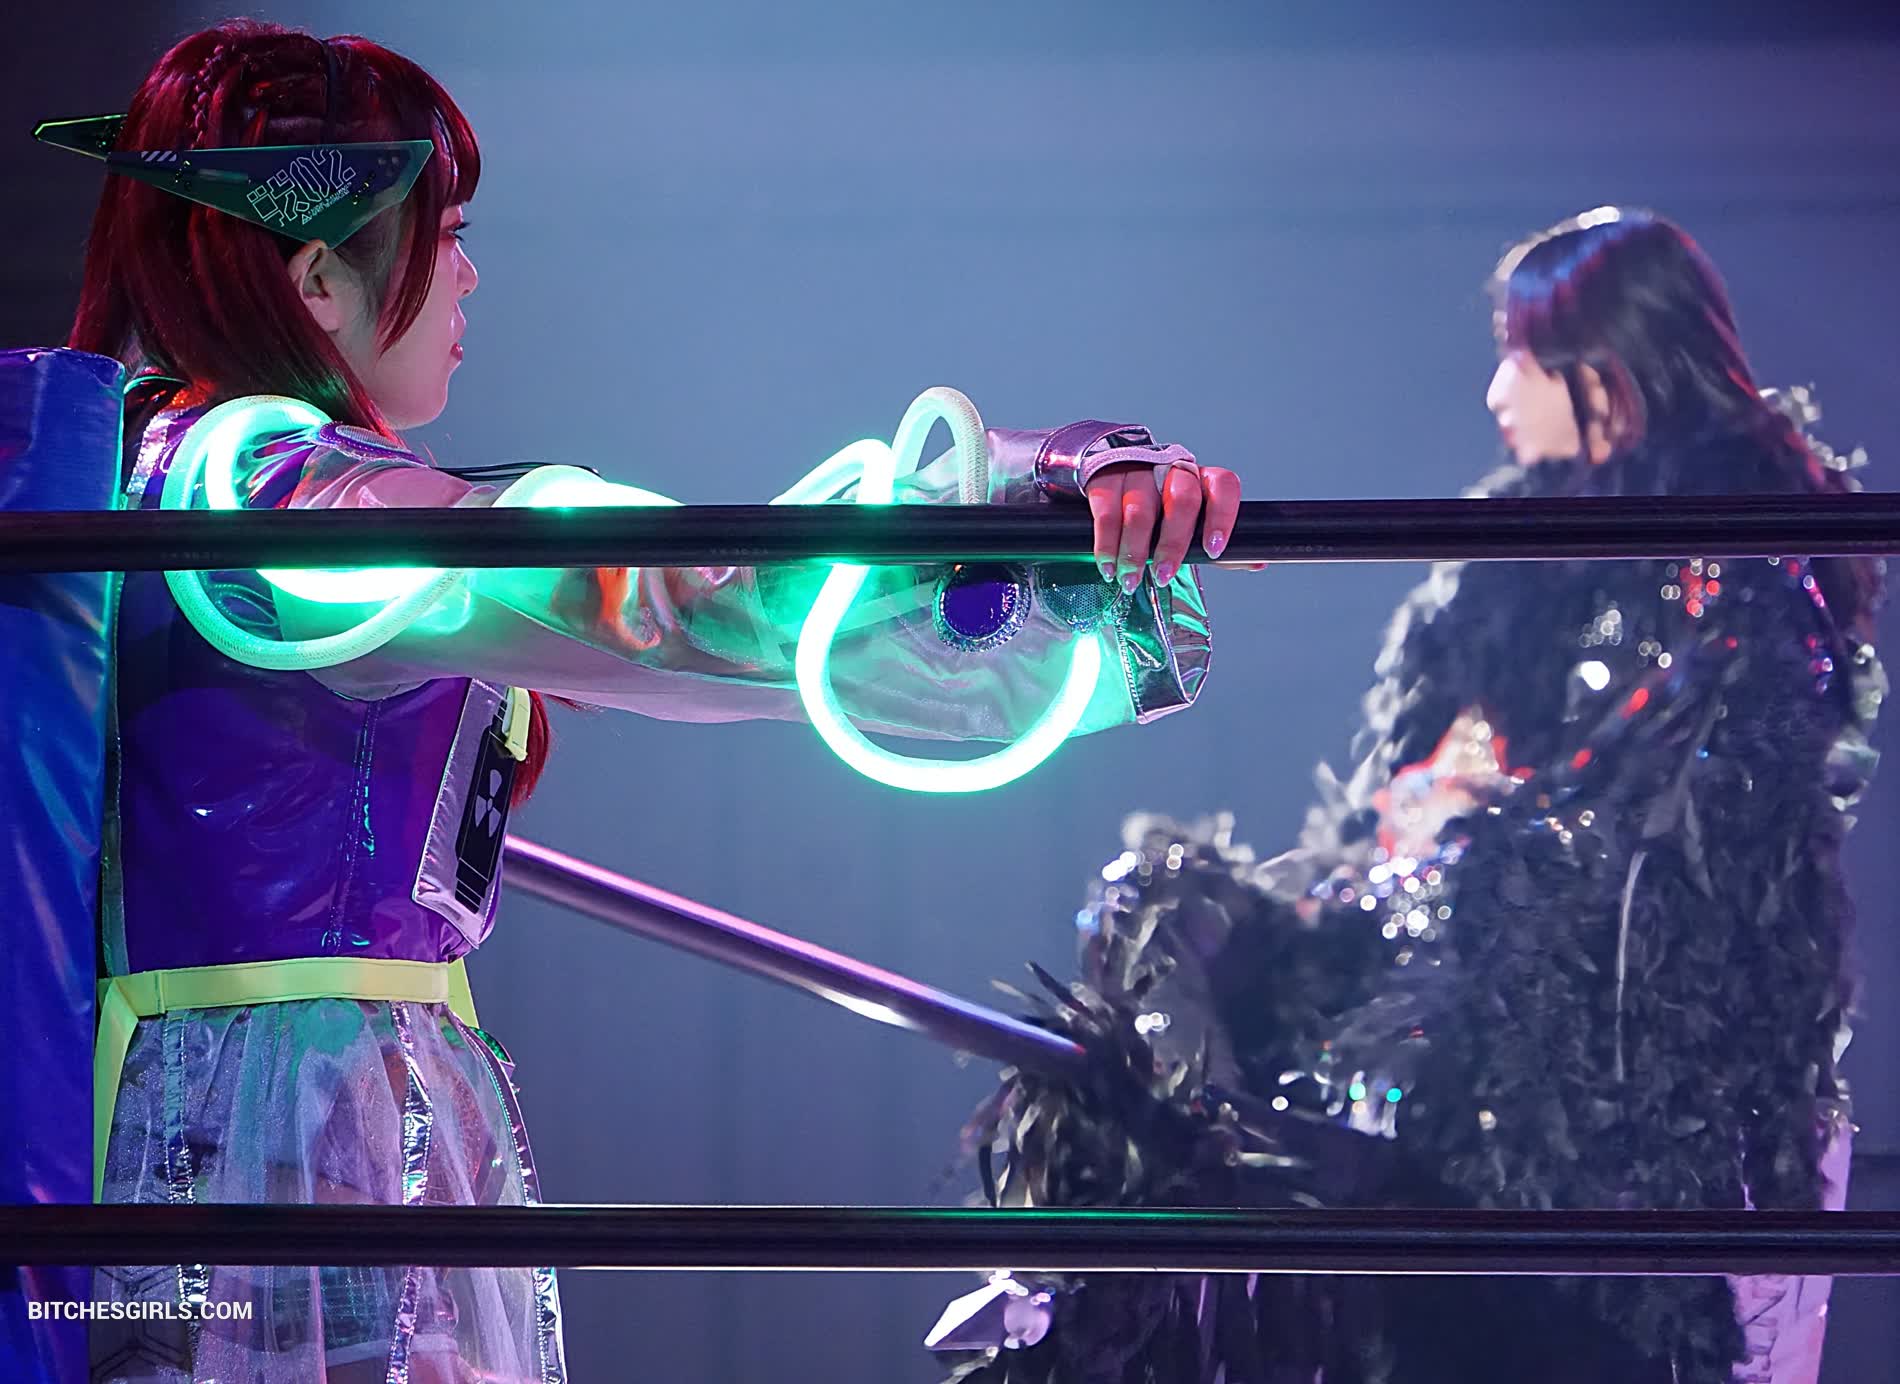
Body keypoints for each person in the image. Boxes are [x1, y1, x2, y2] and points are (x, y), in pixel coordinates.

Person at [40, 19, 1244, 1381]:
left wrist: (1064, 572)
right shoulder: (258, 488)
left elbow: (693, 626)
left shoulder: (183, 471)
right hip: (273, 1132)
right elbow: (652, 600)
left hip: (312, 1106)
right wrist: (1013, 500)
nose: (466, 274)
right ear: (319, 278)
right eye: (445, 233)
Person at [937, 210, 1884, 1384]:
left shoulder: (1746, 560)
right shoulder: (1497, 573)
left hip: (1584, 1053)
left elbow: (1680, 862)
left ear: (1606, 365)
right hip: (1417, 987)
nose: (1495, 390)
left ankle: (1202, 1253)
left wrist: (1478, 824)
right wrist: (1426, 825)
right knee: (1166, 913)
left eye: (1521, 355)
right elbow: (1402, 805)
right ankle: (1136, 1264)